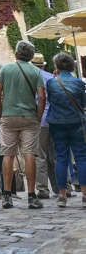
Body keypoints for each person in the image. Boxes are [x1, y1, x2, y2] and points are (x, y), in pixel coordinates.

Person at [0, 39, 45, 209]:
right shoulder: (36, 71)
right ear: (31, 56)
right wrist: (38, 116)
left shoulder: (6, 69)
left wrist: (0, 113)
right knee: (29, 154)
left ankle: (7, 195)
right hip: (29, 117)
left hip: (8, 116)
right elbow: (42, 97)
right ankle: (31, 195)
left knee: (7, 154)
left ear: (16, 54)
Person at [46, 52, 86, 209]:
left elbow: (50, 99)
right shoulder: (79, 83)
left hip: (57, 123)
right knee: (82, 158)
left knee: (61, 159)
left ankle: (62, 195)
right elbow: (82, 103)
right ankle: (84, 194)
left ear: (57, 66)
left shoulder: (51, 83)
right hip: (77, 123)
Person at [31, 53, 59, 199]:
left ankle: (43, 189)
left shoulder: (31, 77)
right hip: (54, 119)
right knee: (57, 156)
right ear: (43, 64)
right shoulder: (51, 78)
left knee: (40, 156)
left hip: (39, 120)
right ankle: (63, 187)